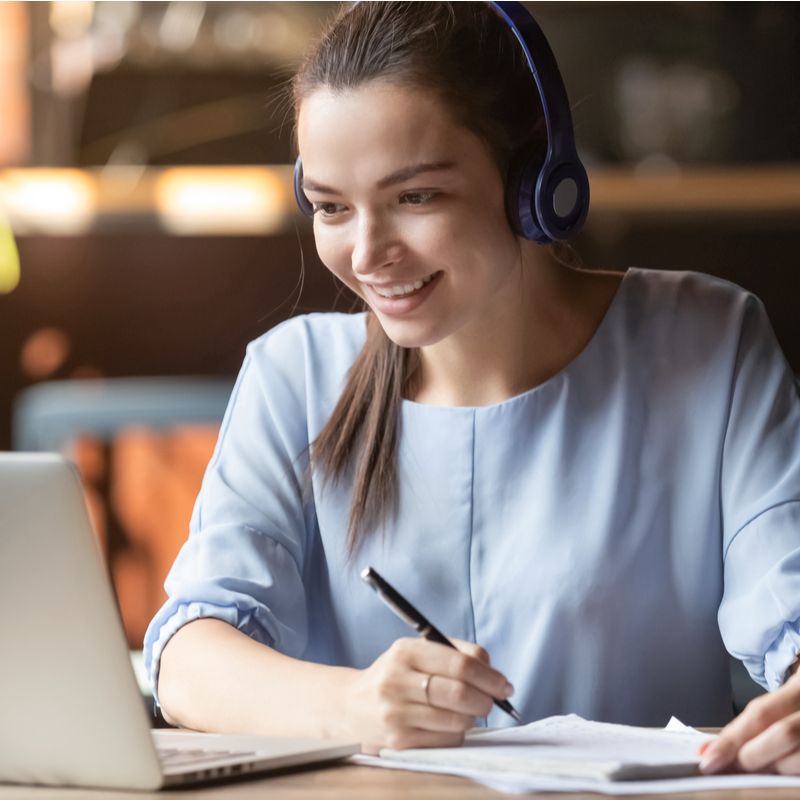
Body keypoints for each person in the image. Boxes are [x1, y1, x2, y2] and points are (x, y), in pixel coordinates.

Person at [144, 1, 800, 771]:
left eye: (416, 198)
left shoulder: (709, 341)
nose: (366, 253)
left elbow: (787, 603)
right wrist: (351, 707)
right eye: (330, 206)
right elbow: (187, 653)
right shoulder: (294, 374)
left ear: (535, 181)